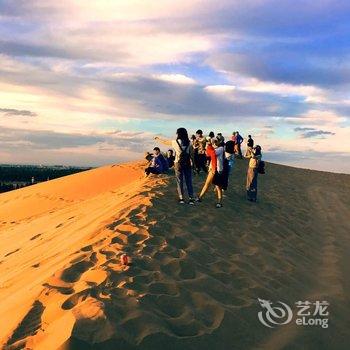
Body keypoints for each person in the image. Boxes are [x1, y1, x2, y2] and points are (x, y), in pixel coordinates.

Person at [155, 128, 195, 205]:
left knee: (179, 181)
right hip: (187, 164)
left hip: (178, 163)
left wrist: (158, 139)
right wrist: (194, 165)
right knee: (188, 181)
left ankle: (181, 198)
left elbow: (165, 142)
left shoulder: (175, 142)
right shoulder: (189, 143)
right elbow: (192, 155)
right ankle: (191, 198)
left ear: (178, 134)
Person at [196, 138, 227, 208]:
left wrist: (209, 146)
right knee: (207, 184)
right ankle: (200, 197)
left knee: (218, 186)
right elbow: (208, 154)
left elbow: (212, 153)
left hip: (217, 170)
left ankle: (219, 202)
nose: (214, 143)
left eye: (215, 142)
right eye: (214, 142)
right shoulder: (216, 149)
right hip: (213, 169)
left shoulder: (221, 148)